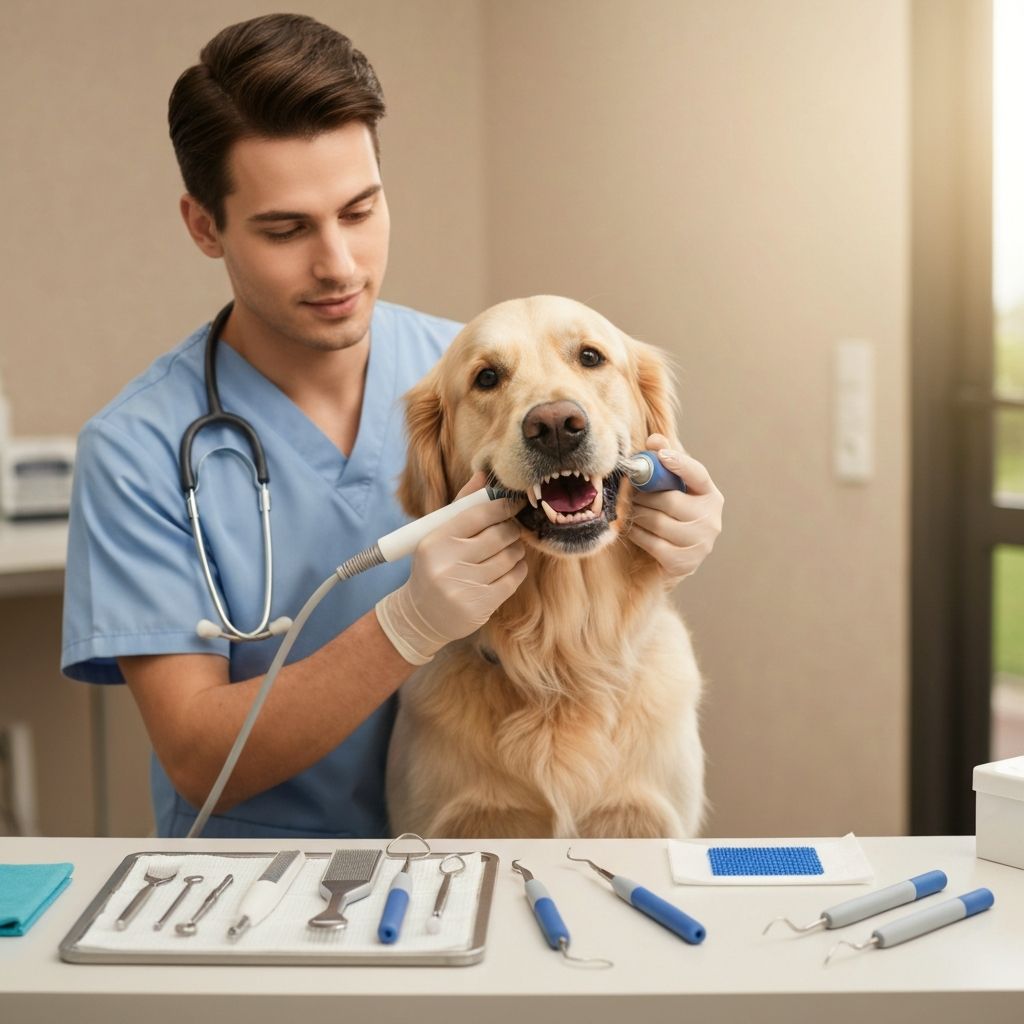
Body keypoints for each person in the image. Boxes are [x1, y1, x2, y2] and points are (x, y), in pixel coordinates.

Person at [60, 13, 724, 839]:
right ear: (205, 226)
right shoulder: (136, 449)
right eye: (286, 228)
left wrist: (668, 522)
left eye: (360, 209)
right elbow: (199, 761)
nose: (339, 264)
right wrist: (407, 627)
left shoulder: (481, 374)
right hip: (254, 894)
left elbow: (593, 513)